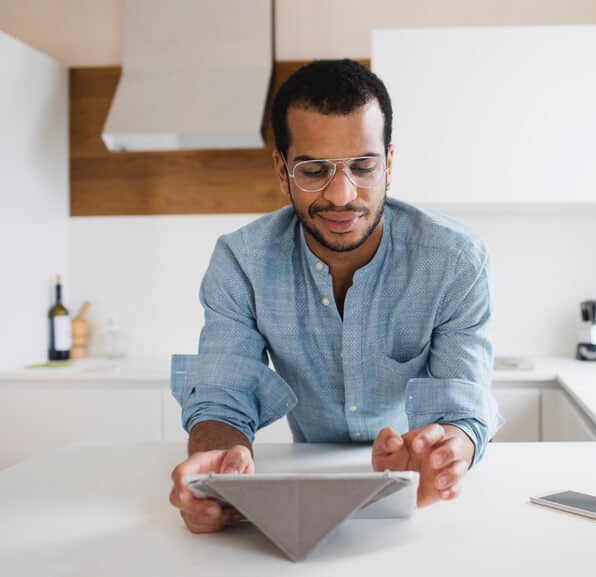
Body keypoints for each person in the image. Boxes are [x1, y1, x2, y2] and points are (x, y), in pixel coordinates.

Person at [167, 59, 503, 533]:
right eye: (314, 169)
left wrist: (445, 451)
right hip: (305, 477)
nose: (342, 195)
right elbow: (224, 396)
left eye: (363, 166)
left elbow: (462, 403)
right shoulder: (241, 262)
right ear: (282, 172)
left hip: (412, 495)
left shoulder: (455, 261)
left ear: (389, 163)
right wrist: (217, 463)